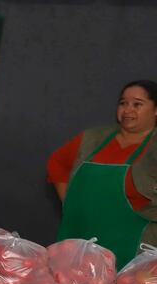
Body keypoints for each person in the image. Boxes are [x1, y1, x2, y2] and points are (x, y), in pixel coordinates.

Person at [48, 80, 157, 267]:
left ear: (155, 110)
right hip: (80, 239)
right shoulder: (92, 139)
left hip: (133, 248)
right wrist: (70, 205)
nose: (128, 110)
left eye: (137, 104)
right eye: (123, 103)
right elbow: (56, 163)